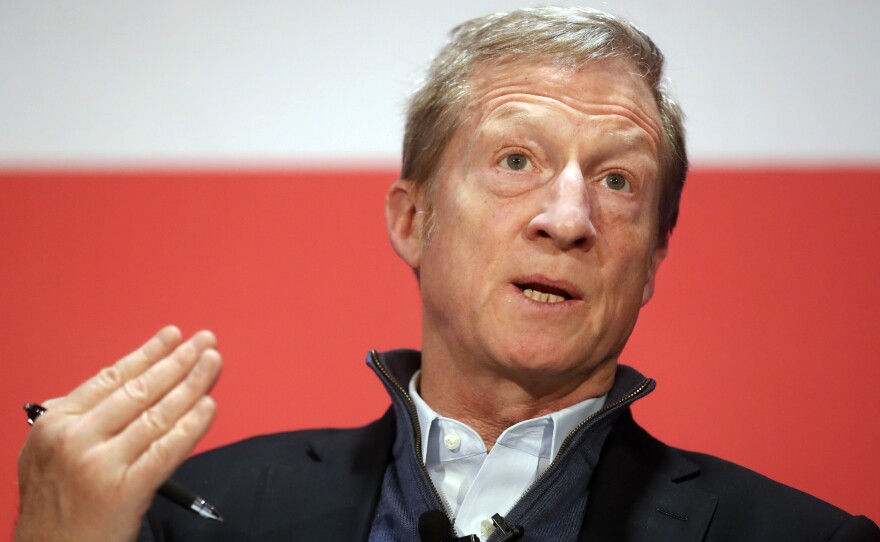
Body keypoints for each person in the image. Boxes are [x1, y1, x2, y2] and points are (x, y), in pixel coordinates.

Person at [13, 7, 880, 542]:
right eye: (515, 160)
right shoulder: (198, 516)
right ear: (411, 219)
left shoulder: (804, 536)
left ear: (652, 261)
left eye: (617, 182)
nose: (568, 218)